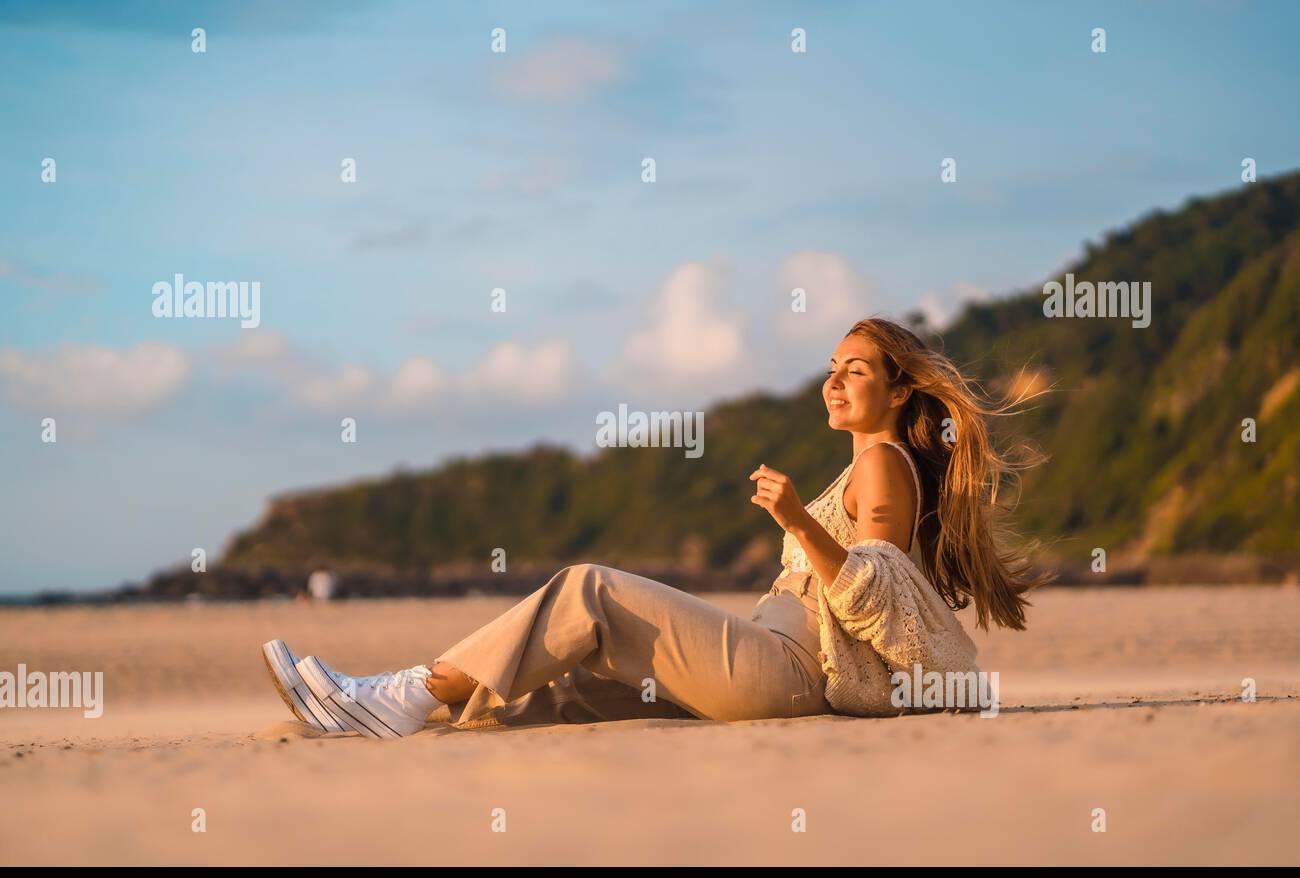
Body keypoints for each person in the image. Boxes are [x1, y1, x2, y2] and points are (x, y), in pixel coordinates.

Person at [261, 317, 1053, 737]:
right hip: (767, 661)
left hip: (790, 672)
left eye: (858, 369)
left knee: (589, 593)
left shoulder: (883, 465)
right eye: (834, 365)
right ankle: (389, 716)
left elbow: (872, 588)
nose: (836, 380)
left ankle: (395, 694)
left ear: (898, 391)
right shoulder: (865, 466)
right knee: (573, 680)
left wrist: (796, 523)